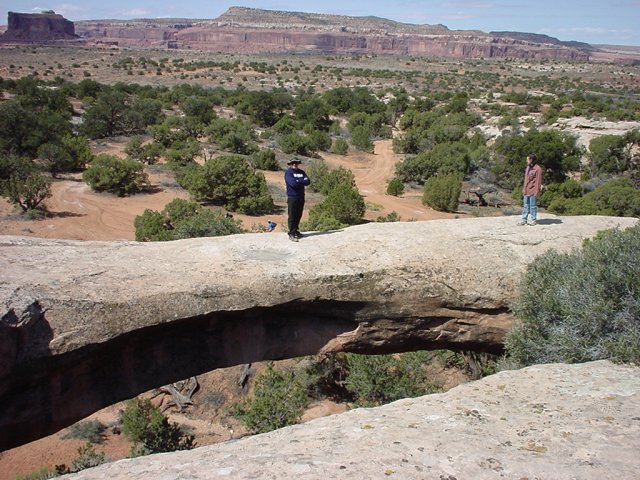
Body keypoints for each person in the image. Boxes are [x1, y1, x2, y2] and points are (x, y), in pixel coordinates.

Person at [284, 158, 311, 242]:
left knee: (299, 214)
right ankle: (291, 233)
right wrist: (301, 181)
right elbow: (292, 184)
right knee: (292, 215)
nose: (295, 164)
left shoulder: (301, 172)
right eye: (293, 163)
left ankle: (296, 230)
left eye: (296, 163)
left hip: (301, 196)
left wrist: (298, 181)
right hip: (292, 197)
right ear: (291, 164)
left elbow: (308, 181)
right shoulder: (288, 173)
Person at [518, 153, 544, 226]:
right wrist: (524, 189)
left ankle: (533, 219)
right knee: (525, 205)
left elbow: (538, 181)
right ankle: (524, 219)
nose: (527, 161)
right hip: (527, 189)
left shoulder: (538, 169)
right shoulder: (528, 168)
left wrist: (536, 191)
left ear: (531, 160)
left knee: (532, 205)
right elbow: (526, 179)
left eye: (528, 159)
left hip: (533, 190)